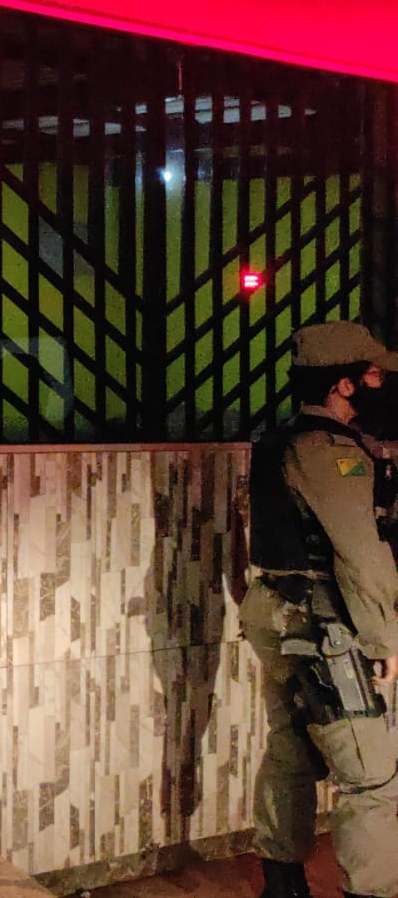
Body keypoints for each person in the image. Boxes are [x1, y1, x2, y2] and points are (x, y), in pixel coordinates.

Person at [243, 320, 398, 898]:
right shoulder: (331, 451)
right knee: (372, 780)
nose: (382, 382)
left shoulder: (278, 442)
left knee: (289, 750)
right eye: (373, 374)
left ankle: (282, 884)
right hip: (324, 627)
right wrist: (386, 642)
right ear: (344, 385)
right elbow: (360, 556)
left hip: (276, 612)